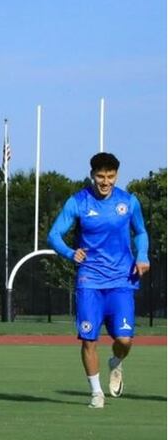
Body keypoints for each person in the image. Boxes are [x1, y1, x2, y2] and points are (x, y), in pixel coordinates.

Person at [47, 152, 149, 409]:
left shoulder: (128, 202)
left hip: (121, 281)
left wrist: (143, 256)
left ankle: (116, 362)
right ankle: (96, 393)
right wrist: (71, 253)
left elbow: (141, 232)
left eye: (110, 176)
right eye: (101, 176)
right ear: (92, 175)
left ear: (117, 176)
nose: (105, 182)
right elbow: (54, 235)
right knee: (89, 339)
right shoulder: (78, 202)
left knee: (124, 340)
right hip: (89, 281)